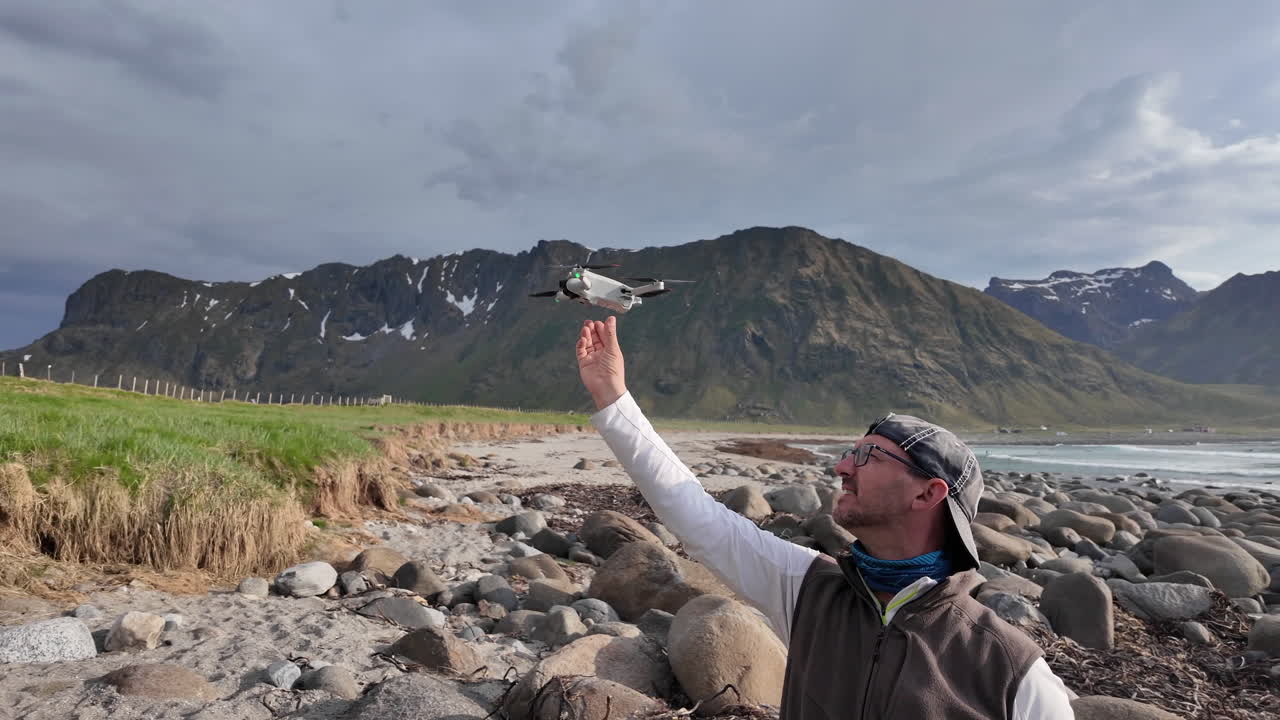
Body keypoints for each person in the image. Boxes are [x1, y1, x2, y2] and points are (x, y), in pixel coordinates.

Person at [575, 316, 1075, 720]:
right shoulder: (811, 590)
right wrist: (612, 395)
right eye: (848, 453)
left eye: (868, 457)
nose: (841, 467)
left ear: (929, 493)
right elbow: (698, 517)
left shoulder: (1011, 670)